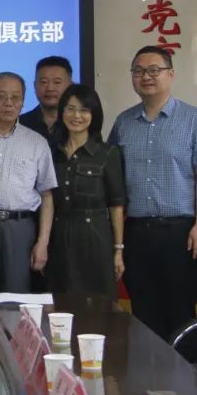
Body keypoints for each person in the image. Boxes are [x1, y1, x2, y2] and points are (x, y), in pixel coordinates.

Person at [107, 45, 197, 346]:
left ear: (171, 74)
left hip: (180, 232)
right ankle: (148, 373)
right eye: (139, 71)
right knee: (144, 311)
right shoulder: (123, 123)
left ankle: (187, 374)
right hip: (136, 232)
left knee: (180, 311)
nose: (146, 76)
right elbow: (112, 177)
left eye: (154, 70)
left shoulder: (193, 119)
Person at [0, 72, 57, 293]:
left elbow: (46, 196)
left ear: (23, 102)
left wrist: (43, 242)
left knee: (16, 294)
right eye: (1, 96)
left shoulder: (36, 142)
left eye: (15, 97)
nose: (9, 103)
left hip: (19, 228)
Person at [47, 84, 127, 297]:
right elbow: (46, 199)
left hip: (95, 237)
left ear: (94, 115)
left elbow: (116, 205)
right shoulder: (52, 152)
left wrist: (118, 250)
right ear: (62, 112)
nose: (76, 116)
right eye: (71, 109)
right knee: (60, 300)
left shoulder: (107, 153)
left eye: (84, 110)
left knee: (98, 303)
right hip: (59, 237)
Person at [20, 56, 73, 143]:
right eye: (44, 82)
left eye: (57, 82)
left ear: (70, 86)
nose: (50, 88)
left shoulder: (78, 124)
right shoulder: (20, 124)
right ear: (35, 86)